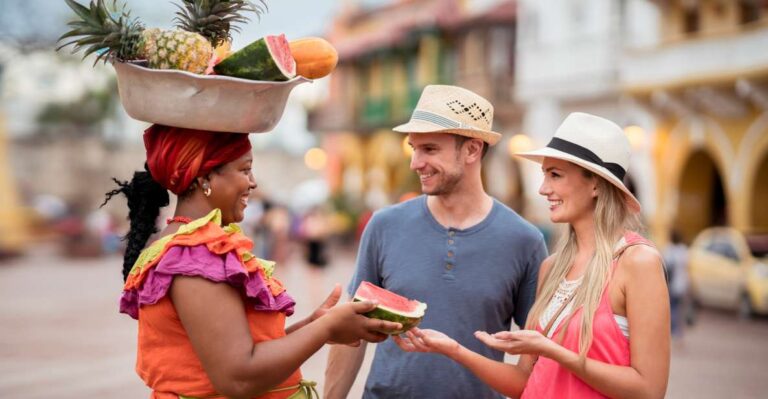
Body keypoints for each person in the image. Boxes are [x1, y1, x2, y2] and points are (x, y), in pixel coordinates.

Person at [104, 124, 403, 399]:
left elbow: (241, 350)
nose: (253, 183)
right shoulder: (195, 254)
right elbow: (238, 378)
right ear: (205, 178)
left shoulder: (190, 245)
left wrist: (314, 326)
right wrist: (325, 330)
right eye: (245, 170)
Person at [395, 112, 671, 399]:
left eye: (555, 175)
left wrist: (552, 350)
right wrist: (453, 349)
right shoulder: (551, 268)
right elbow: (523, 382)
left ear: (597, 184)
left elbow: (649, 390)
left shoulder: (637, 262)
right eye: (544, 175)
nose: (543, 189)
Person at [324, 85, 548, 399]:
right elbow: (352, 331)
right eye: (413, 148)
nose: (415, 162)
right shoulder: (384, 225)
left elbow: (537, 356)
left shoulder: (525, 241)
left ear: (472, 150)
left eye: (429, 149)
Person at [663, 230, 689, 336]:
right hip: (682, 284)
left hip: (671, 284)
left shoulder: (669, 250)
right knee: (679, 308)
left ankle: (674, 330)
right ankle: (678, 330)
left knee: (672, 307)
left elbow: (664, 265)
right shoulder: (684, 250)